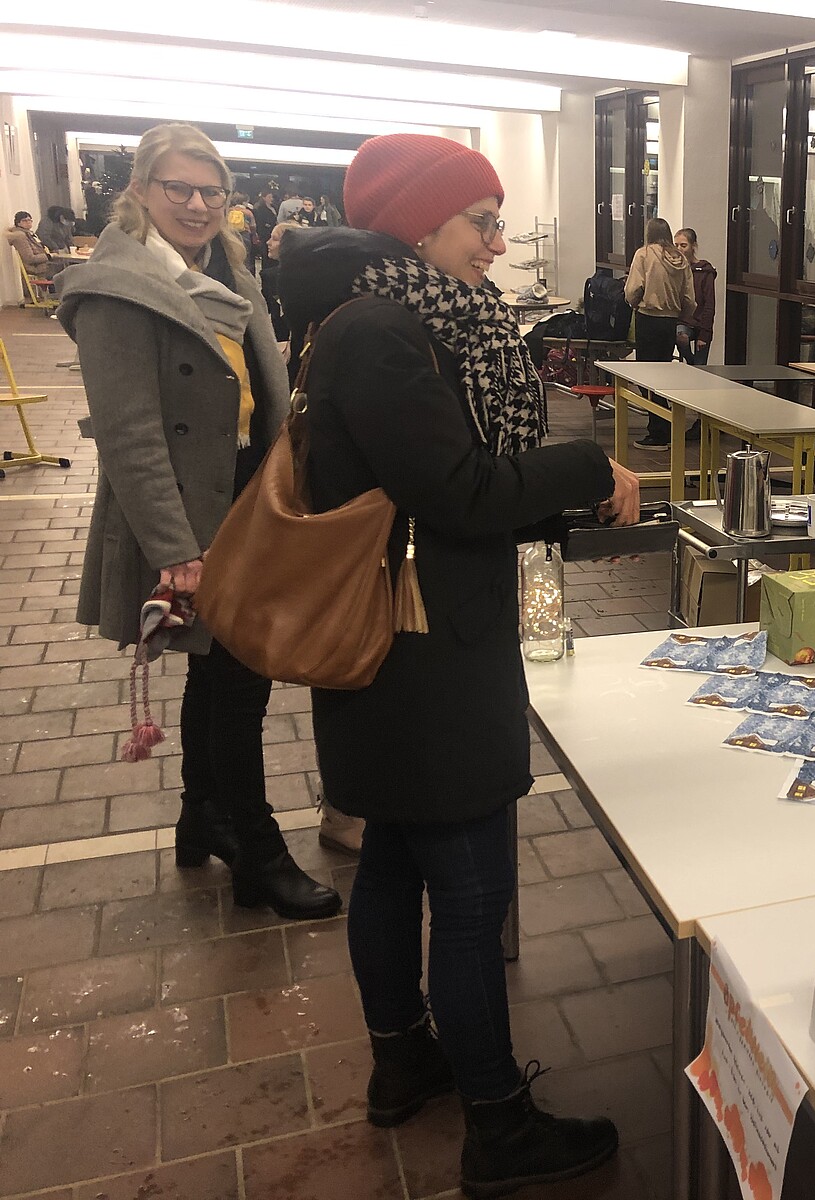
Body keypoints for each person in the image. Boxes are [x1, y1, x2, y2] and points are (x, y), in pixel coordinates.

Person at [279, 132, 639, 1194]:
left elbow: (439, 485)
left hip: (400, 641)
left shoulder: (382, 320)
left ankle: (404, 1061)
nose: (495, 242)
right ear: (416, 222)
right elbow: (460, 491)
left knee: (394, 860)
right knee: (473, 895)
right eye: (480, 220)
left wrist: (549, 491)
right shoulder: (386, 334)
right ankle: (498, 1124)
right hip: (423, 655)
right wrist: (587, 464)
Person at [55, 123, 339, 921]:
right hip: (187, 510)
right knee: (241, 682)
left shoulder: (228, 273)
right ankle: (255, 847)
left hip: (246, 495)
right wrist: (175, 550)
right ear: (140, 190)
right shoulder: (117, 289)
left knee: (221, 674)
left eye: (211, 190)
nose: (196, 204)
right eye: (177, 187)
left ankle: (201, 816)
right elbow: (129, 434)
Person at [625, 216, 696, 449]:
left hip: (648, 318)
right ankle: (664, 426)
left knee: (646, 376)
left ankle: (659, 431)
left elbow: (633, 289)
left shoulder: (644, 254)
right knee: (663, 375)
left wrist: (634, 303)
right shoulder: (680, 259)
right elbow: (689, 298)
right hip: (670, 322)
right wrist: (680, 315)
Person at [674, 226, 716, 365]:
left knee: (701, 365)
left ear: (693, 246)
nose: (679, 249)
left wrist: (704, 334)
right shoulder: (675, 269)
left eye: (683, 245)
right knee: (680, 336)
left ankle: (695, 366)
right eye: (676, 245)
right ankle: (690, 362)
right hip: (683, 321)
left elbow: (709, 304)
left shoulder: (705, 271)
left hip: (701, 323)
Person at [6, 211, 63, 279]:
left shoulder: (29, 233)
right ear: (18, 223)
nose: (28, 222)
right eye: (24, 220)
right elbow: (29, 258)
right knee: (65, 270)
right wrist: (49, 256)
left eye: (30, 220)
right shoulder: (20, 236)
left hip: (42, 264)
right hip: (36, 269)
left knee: (64, 266)